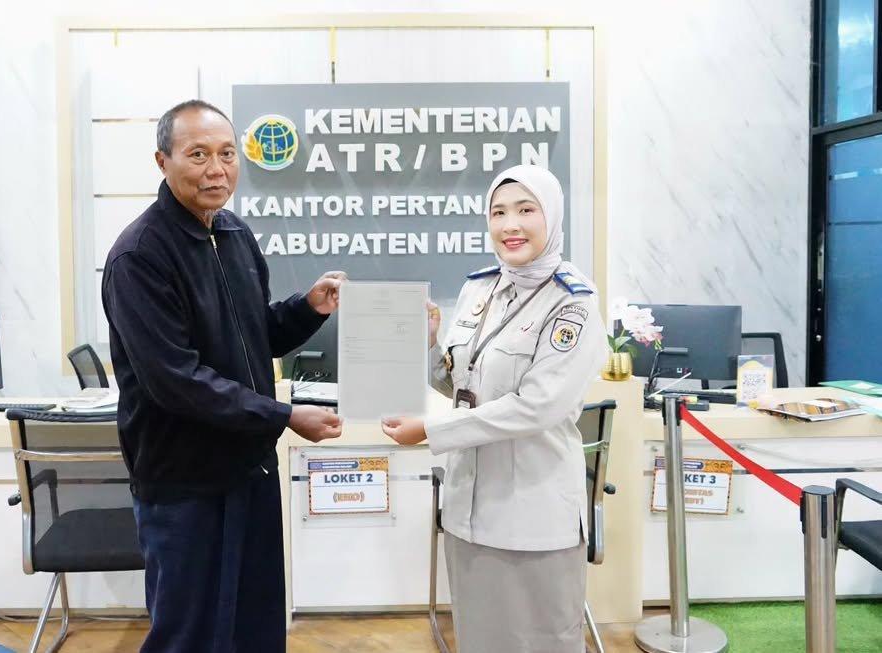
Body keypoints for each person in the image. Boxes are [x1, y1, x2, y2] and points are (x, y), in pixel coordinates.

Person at [102, 99, 345, 653]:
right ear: (162, 161)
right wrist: (285, 416)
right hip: (184, 483)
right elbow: (176, 380)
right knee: (189, 635)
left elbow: (253, 333)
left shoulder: (234, 233)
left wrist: (308, 308)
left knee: (255, 629)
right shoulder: (139, 256)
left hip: (250, 470)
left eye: (227, 154)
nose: (217, 169)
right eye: (198, 155)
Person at [381, 164, 608, 653]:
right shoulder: (479, 289)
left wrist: (431, 431)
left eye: (526, 210)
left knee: (542, 641)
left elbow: (537, 407)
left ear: (552, 216)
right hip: (468, 510)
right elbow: (463, 384)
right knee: (480, 639)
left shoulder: (574, 305)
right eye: (498, 212)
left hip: (533, 515)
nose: (510, 225)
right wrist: (430, 346)